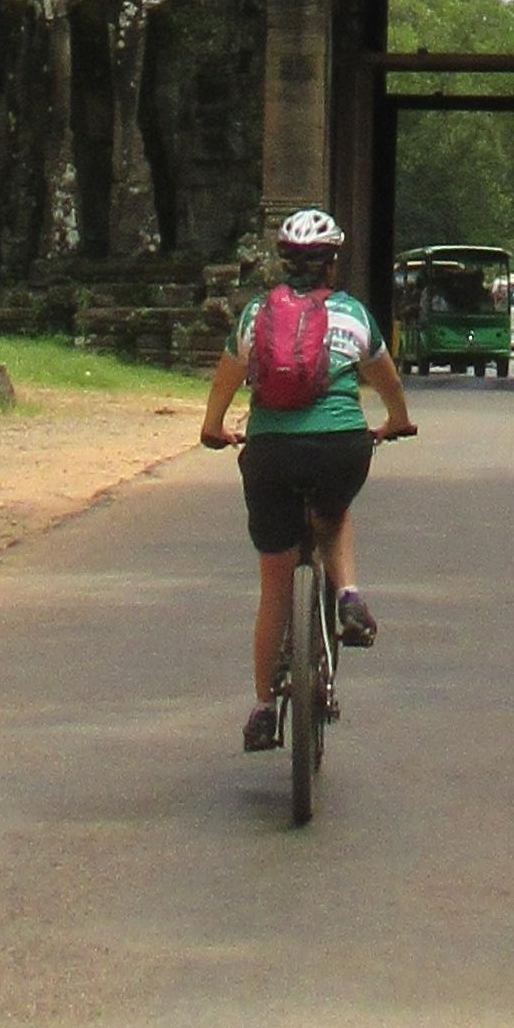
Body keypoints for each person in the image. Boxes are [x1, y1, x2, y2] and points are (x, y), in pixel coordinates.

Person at [199, 209, 415, 750]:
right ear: (332, 265)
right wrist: (396, 423)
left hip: (269, 450)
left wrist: (213, 430)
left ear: (283, 262)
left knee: (275, 580)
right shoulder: (353, 316)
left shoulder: (255, 317)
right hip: (339, 447)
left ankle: (264, 708)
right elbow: (388, 383)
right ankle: (348, 594)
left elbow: (224, 386)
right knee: (333, 513)